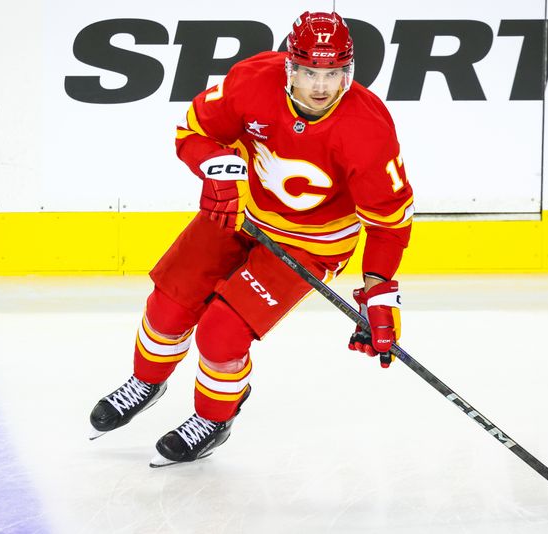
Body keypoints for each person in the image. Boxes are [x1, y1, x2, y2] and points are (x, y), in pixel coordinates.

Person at [89, 11, 414, 467]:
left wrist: (379, 290)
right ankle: (146, 381)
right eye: (308, 73)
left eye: (333, 73)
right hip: (239, 215)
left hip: (309, 243)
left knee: (222, 335)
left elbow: (388, 223)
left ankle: (213, 419)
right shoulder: (251, 81)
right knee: (168, 305)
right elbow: (194, 132)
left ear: (349, 71)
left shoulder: (368, 128)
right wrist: (213, 169)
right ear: (289, 67)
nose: (320, 87)